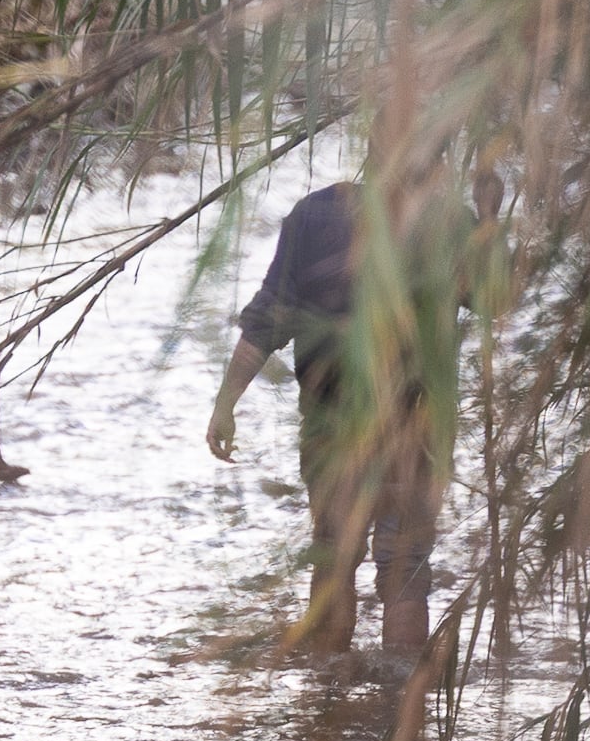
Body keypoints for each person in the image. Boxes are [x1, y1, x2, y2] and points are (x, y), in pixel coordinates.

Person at [202, 168, 484, 656]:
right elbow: (489, 298)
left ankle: (327, 700)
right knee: (406, 567)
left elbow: (271, 317)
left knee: (334, 557)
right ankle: (396, 703)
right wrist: (491, 223)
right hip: (417, 423)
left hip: (331, 421)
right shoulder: (448, 220)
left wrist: (227, 402)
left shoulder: (315, 215)